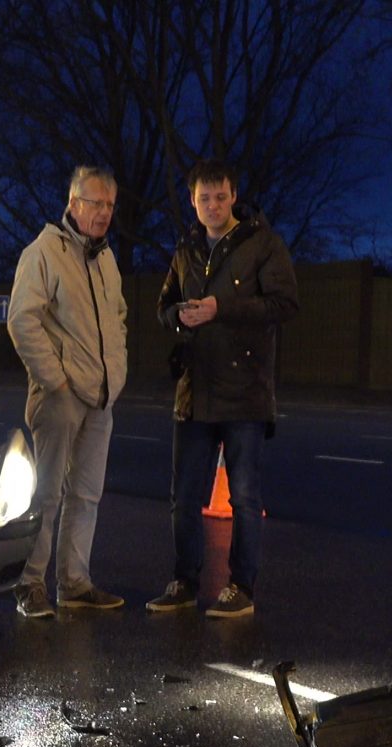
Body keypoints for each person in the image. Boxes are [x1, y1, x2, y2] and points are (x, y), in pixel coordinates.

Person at [146, 160, 298, 618]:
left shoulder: (263, 244)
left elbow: (285, 303)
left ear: (234, 196)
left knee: (245, 498)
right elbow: (164, 305)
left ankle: (241, 588)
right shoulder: (186, 248)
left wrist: (219, 308)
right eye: (202, 198)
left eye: (219, 196)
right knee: (183, 499)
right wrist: (178, 316)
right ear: (192, 201)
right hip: (195, 390)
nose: (211, 206)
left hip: (244, 392)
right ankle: (184, 582)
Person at [4, 165, 130, 618]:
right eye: (95, 203)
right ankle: (29, 583)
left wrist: (116, 372)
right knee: (47, 494)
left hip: (100, 397)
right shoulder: (43, 253)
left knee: (87, 496)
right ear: (73, 204)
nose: (103, 213)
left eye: (110, 205)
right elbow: (21, 319)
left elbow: (117, 317)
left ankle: (74, 582)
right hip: (59, 396)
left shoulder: (106, 258)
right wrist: (53, 379)